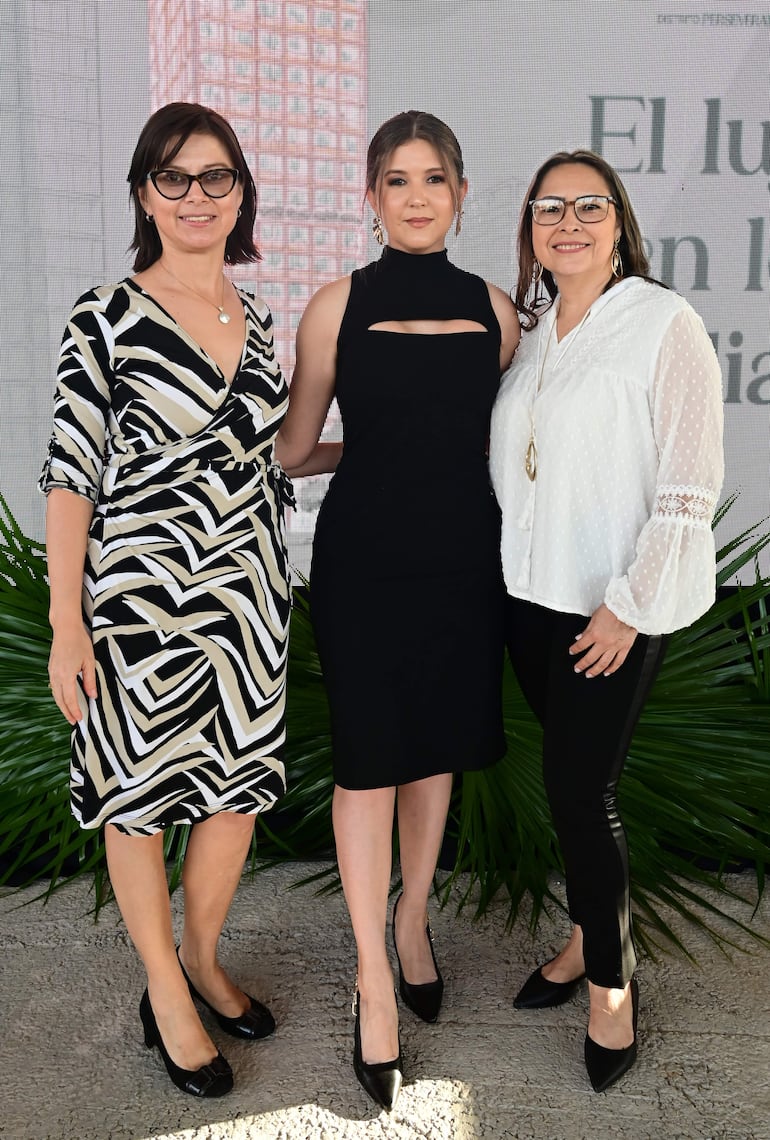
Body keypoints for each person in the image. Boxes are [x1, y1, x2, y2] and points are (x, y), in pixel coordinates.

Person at [40, 102, 294, 1098]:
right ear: (145, 193)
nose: (196, 197)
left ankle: (198, 957)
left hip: (248, 603)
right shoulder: (105, 314)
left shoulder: (262, 320)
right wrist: (69, 622)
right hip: (139, 607)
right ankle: (165, 990)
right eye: (173, 178)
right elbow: (71, 475)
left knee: (232, 801)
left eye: (215, 177)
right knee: (138, 805)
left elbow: (273, 458)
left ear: (242, 193)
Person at [276, 110, 520, 1110]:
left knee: (433, 752)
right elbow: (294, 450)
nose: (416, 194)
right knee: (370, 762)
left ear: (459, 194)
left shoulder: (500, 310)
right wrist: (367, 453)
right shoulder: (335, 304)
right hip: (364, 567)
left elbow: (505, 447)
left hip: (465, 564)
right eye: (396, 179)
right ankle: (373, 980)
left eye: (434, 178)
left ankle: (414, 917)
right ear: (369, 198)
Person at [489, 150, 724, 1092]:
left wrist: (628, 606)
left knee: (584, 795)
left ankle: (611, 988)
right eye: (550, 208)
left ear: (619, 224)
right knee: (571, 781)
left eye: (590, 206)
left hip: (608, 610)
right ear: (531, 231)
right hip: (526, 603)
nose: (569, 222)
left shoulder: (664, 323)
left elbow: (688, 485)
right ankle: (592, 929)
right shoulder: (533, 333)